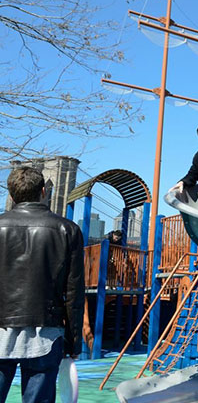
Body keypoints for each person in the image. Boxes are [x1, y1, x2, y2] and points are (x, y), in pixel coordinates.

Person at [0, 166, 84, 402]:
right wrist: (74, 341)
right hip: (46, 330)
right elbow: (73, 291)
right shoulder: (68, 229)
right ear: (44, 191)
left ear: (11, 195)